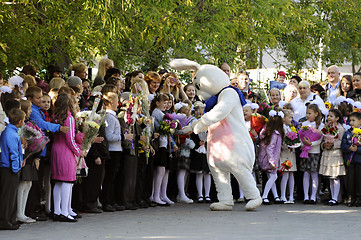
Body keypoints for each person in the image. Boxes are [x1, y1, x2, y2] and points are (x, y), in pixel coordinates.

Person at [51, 93, 83, 222]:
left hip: (56, 149)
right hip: (65, 151)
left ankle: (57, 211)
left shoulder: (55, 116)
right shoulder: (69, 118)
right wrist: (78, 151)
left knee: (58, 181)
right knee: (67, 181)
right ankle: (64, 211)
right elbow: (70, 139)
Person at [102, 92, 130, 212]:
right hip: (112, 150)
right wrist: (124, 137)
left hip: (116, 149)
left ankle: (111, 200)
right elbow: (109, 136)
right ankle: (106, 201)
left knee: (113, 177)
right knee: (109, 177)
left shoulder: (112, 116)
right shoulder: (109, 116)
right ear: (112, 102)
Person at [0, 108, 26, 230]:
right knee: (8, 195)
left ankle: (11, 218)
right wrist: (16, 168)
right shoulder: (11, 133)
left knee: (11, 194)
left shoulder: (11, 131)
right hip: (9, 168)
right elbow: (13, 153)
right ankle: (4, 220)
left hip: (10, 167)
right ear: (20, 121)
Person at [319, 109, 345, 206]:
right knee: (330, 177)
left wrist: (333, 144)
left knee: (335, 177)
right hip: (327, 153)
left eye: (331, 116)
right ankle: (332, 196)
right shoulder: (326, 128)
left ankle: (336, 197)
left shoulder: (340, 128)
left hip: (335, 154)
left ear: (337, 118)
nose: (329, 118)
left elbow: (341, 141)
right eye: (328, 116)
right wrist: (325, 144)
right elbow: (323, 139)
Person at [299, 104, 324, 204]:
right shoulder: (304, 124)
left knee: (314, 173)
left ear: (316, 114)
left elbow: (320, 139)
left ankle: (313, 196)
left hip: (315, 152)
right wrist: (303, 143)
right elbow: (301, 136)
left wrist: (311, 143)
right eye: (306, 113)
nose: (308, 115)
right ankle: (306, 196)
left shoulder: (320, 125)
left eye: (310, 113)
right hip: (305, 151)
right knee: (305, 173)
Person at [16, 100, 37, 223]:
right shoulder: (21, 127)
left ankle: (22, 212)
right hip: (23, 158)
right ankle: (19, 213)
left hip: (27, 157)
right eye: (29, 109)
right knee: (23, 184)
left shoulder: (28, 125)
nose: (31, 111)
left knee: (28, 184)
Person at [258, 110, 284, 204]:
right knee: (273, 176)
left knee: (271, 176)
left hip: (265, 158)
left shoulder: (267, 131)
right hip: (270, 159)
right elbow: (270, 148)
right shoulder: (275, 134)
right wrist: (272, 161)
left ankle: (276, 196)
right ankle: (264, 196)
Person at [150, 93, 172, 206]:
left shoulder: (161, 113)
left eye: (167, 102)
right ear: (157, 103)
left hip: (163, 144)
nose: (166, 105)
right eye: (164, 102)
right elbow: (160, 127)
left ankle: (160, 194)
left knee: (163, 170)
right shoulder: (157, 113)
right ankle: (156, 195)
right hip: (159, 145)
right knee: (160, 170)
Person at [190, 102, 211, 203]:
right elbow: (192, 136)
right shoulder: (195, 124)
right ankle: (200, 194)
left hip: (208, 150)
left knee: (207, 173)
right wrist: (198, 142)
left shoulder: (210, 125)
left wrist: (207, 142)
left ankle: (207, 194)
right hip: (198, 150)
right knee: (199, 173)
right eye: (200, 114)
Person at [341, 111, 361, 207]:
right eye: (350, 121)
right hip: (350, 161)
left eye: (354, 120)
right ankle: (350, 197)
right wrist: (349, 148)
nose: (351, 123)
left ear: (360, 121)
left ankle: (358, 198)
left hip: (359, 160)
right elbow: (343, 145)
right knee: (349, 180)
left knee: (359, 180)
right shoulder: (347, 133)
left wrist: (358, 149)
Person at [279, 109, 297, 204]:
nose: (291, 119)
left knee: (291, 174)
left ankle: (291, 196)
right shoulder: (282, 128)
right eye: (289, 117)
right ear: (284, 118)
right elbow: (282, 141)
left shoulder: (289, 127)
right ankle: (283, 195)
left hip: (291, 153)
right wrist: (288, 144)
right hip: (285, 153)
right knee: (285, 174)